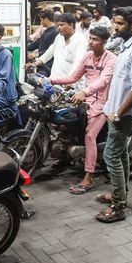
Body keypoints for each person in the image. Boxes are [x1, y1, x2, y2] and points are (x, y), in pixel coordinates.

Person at [94, 7, 132, 223]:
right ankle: (121, 192)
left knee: (111, 155)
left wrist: (119, 112)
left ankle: (118, 206)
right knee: (121, 154)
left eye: (120, 24)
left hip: (122, 113)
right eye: (115, 22)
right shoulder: (127, 46)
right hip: (115, 109)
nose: (115, 27)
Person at [51, 26, 116, 195]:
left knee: (89, 135)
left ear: (104, 42)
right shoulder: (87, 56)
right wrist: (50, 81)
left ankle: (89, 177)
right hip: (86, 101)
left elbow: (103, 81)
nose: (91, 42)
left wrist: (84, 92)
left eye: (95, 39)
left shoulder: (111, 59)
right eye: (91, 38)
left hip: (103, 104)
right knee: (66, 124)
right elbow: (73, 77)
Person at [29, 13, 87, 88]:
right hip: (55, 81)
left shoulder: (80, 40)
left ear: (71, 25)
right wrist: (35, 64)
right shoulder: (59, 37)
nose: (59, 28)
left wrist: (70, 80)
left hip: (71, 85)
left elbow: (78, 62)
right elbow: (49, 53)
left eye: (62, 25)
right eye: (58, 25)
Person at [27, 9, 58, 76]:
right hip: (42, 63)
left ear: (46, 19)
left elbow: (52, 50)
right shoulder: (46, 31)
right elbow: (36, 44)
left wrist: (36, 54)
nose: (41, 22)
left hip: (48, 65)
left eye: (41, 20)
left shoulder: (55, 32)